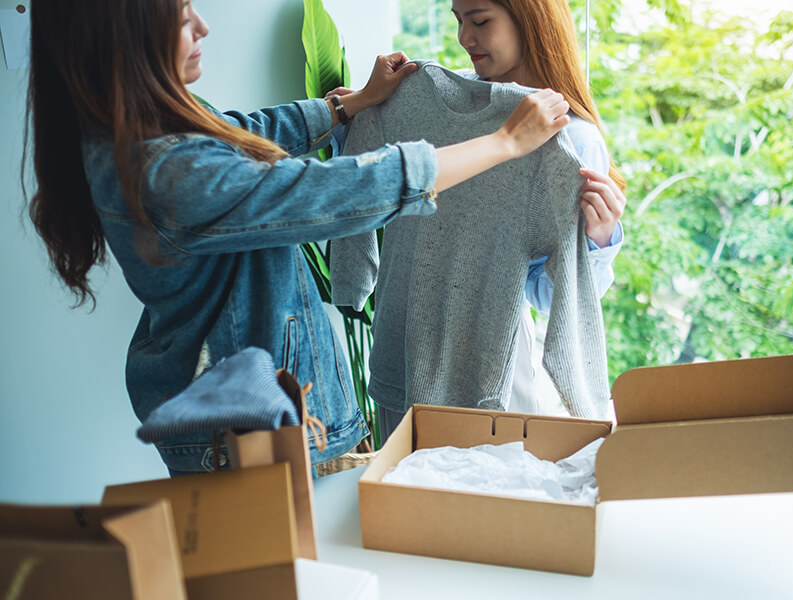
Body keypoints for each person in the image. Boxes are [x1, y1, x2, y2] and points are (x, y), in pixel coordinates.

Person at [24, 0, 571, 475]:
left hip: (256, 424)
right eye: (179, 16)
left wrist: (347, 105)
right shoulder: (166, 170)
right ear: (118, 40)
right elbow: (334, 192)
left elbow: (240, 133)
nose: (202, 26)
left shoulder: (136, 127)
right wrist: (502, 142)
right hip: (260, 441)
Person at [451, 0, 627, 417]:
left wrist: (598, 241)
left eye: (479, 21)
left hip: (502, 373)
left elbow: (548, 297)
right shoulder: (454, 108)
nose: (464, 38)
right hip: (417, 350)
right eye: (458, 21)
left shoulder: (573, 142)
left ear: (529, 20)